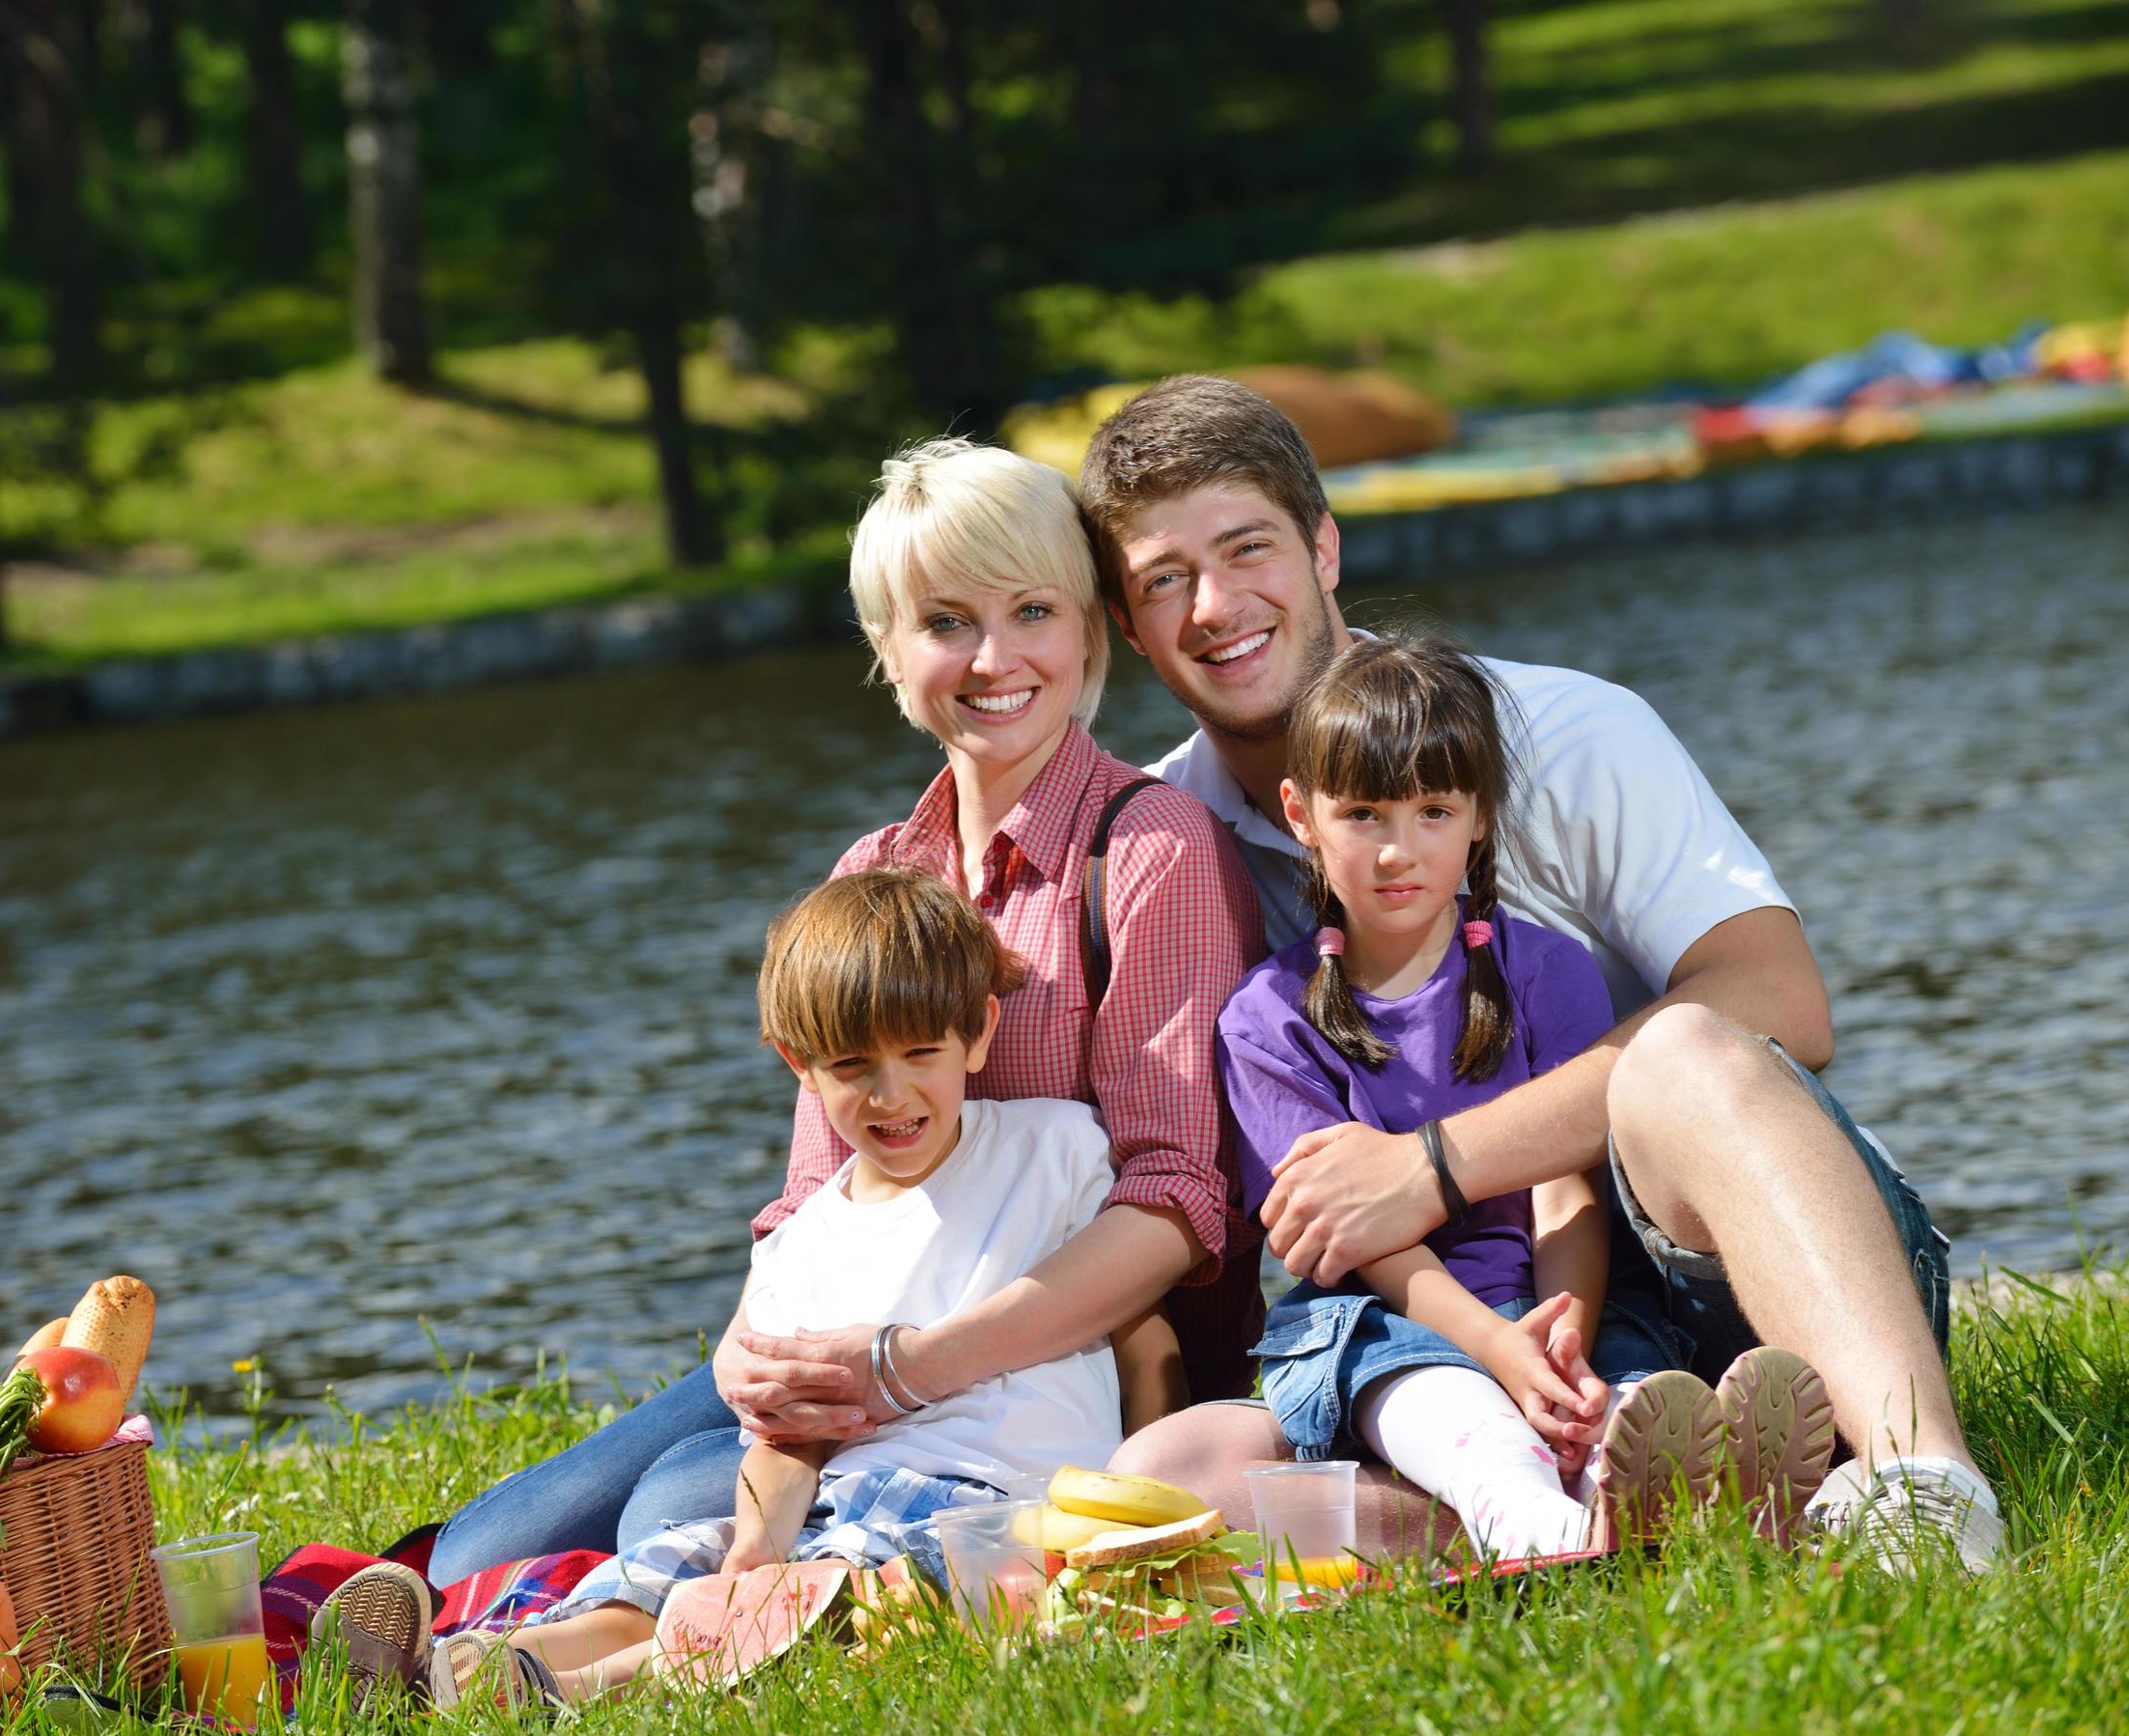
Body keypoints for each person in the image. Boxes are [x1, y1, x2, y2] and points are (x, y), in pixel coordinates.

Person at [1082, 374, 1999, 1571]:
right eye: (1162, 580)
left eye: (1246, 547)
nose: (1212, 605)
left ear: (1323, 547)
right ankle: (1636, 1509)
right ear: (1129, 621)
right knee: (1177, 1474)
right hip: (1459, 1337)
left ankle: (1923, 1478)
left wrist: (1435, 1167)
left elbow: (1780, 998)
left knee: (1676, 1050)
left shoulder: (1563, 731)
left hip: (1753, 1266)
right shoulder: (1168, 843)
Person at [425, 438, 1264, 1590]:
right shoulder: (875, 869)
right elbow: (810, 1200)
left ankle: (635, 1621)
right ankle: (456, 1630)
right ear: (887, 650)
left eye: (1031, 610)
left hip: (1046, 1362)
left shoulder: (1149, 850)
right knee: (476, 1547)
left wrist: (906, 1369)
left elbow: (1175, 1202)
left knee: (671, 1503)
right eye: (945, 622)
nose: (994, 657)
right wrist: (754, 1348)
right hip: (864, 1330)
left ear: (1088, 628)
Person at [432, 869, 1124, 1707]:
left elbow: (1135, 1324)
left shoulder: (1055, 1148)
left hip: (994, 1503)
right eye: (850, 1065)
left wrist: (1146, 1495)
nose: (891, 1094)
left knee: (846, 1596)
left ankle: (571, 1689)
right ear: (800, 1065)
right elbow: (787, 1437)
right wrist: (754, 1546)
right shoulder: (802, 1244)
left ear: (977, 1033)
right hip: (841, 1496)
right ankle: (468, 1664)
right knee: (671, 1570)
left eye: (921, 1054)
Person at [1224, 630, 1833, 1560]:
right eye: (1363, 815)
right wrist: (1497, 1351)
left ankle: (1705, 1499)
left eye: (1433, 811)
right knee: (1466, 1419)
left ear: (1479, 816)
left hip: (1560, 1297)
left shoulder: (1547, 970)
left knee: (1620, 1404)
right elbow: (1363, 1238)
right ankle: (1538, 1529)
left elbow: (1564, 1184)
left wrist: (1562, 1339)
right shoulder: (1265, 1021)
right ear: (1300, 815)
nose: (1398, 850)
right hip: (1387, 1321)